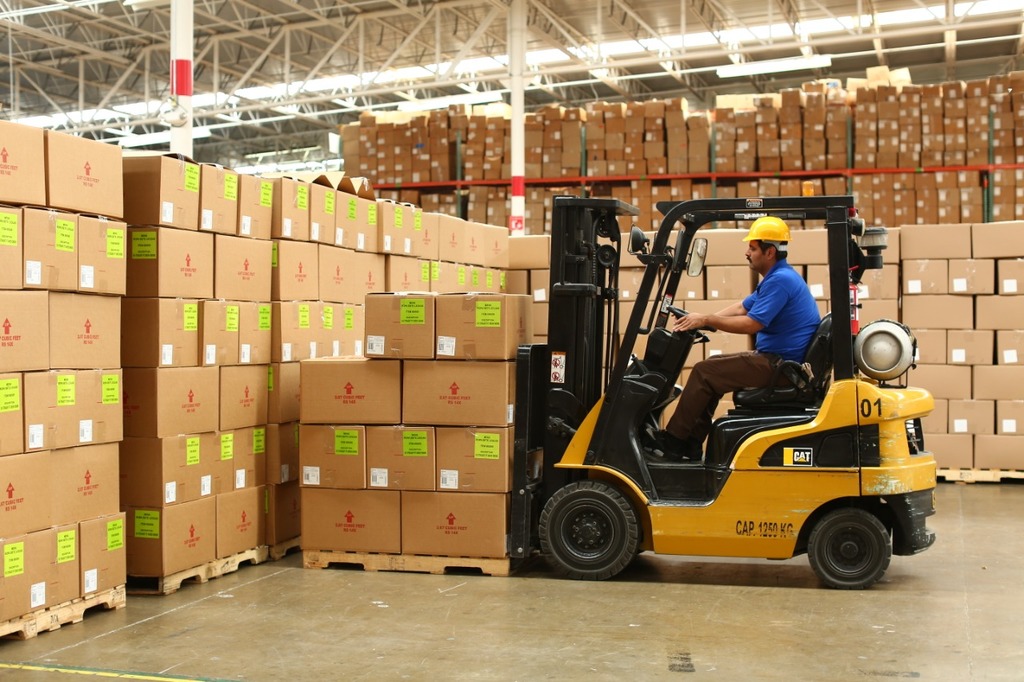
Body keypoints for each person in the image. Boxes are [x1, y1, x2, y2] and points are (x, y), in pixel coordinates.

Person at [652, 215, 821, 461]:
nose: (747, 253)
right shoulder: (778, 277)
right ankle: (690, 443)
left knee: (704, 372)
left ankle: (674, 441)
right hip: (778, 362)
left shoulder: (781, 280)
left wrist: (707, 319)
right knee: (712, 370)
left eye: (752, 248)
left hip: (781, 367)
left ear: (770, 252)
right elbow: (742, 307)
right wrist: (702, 321)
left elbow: (752, 323)